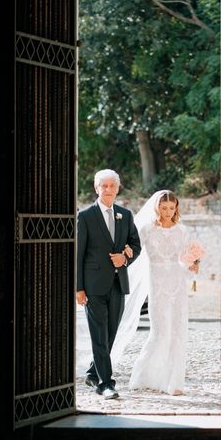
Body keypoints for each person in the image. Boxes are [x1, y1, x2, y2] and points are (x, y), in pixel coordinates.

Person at [113, 189, 201, 396]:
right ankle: (144, 376)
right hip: (157, 281)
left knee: (178, 331)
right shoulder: (146, 229)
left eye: (172, 208)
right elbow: (132, 249)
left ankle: (174, 382)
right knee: (160, 332)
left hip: (177, 281)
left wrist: (193, 264)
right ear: (157, 208)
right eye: (164, 208)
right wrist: (121, 258)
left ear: (176, 208)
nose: (168, 211)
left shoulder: (182, 230)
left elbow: (185, 258)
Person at [76, 169, 141, 399]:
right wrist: (79, 287)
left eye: (112, 185)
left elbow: (136, 244)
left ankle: (94, 373)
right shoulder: (85, 216)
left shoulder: (126, 214)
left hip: (118, 284)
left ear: (118, 188)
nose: (108, 189)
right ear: (96, 188)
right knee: (99, 335)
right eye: (104, 185)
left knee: (111, 333)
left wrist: (126, 258)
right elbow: (79, 254)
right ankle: (105, 383)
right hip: (93, 286)